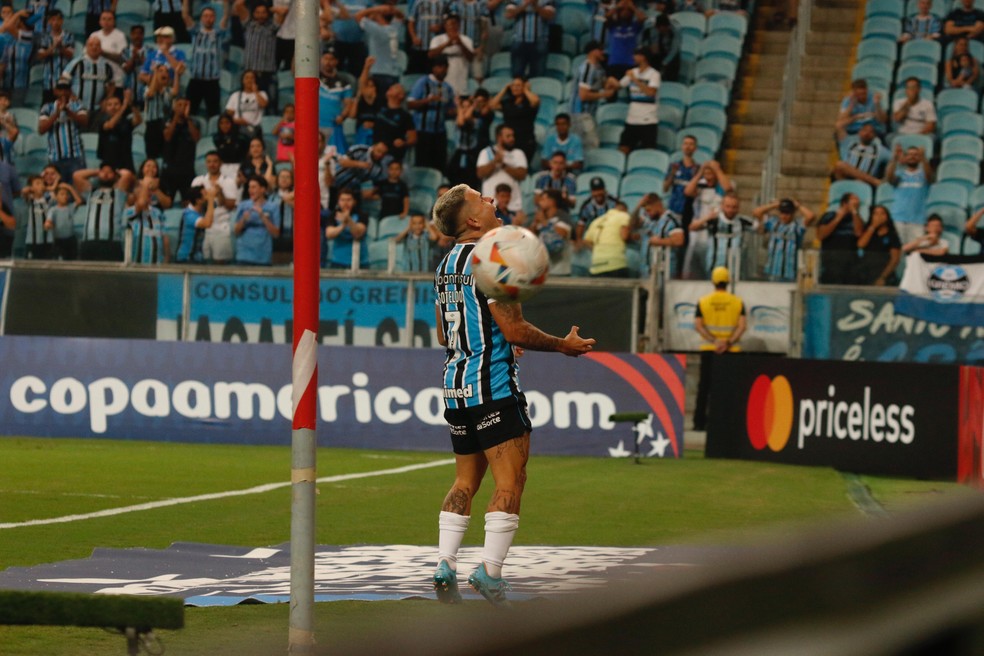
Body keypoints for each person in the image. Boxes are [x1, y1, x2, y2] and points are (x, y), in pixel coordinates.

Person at [430, 183, 595, 608]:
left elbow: (443, 332)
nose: (491, 202)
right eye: (481, 200)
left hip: (455, 384)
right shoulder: (492, 257)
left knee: (464, 479)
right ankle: (490, 573)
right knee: (511, 480)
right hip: (493, 386)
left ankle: (444, 565)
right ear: (471, 220)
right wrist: (563, 344)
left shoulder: (445, 263)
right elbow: (516, 329)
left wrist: (497, 338)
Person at [692, 266, 745, 432]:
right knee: (729, 388)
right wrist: (727, 342)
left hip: (710, 349)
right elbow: (742, 326)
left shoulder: (703, 301)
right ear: (728, 281)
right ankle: (727, 422)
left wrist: (715, 340)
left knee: (704, 387)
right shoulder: (737, 302)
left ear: (713, 281)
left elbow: (698, 326)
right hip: (731, 350)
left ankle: (699, 422)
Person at [72, 163, 133, 261]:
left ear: (115, 176)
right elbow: (76, 175)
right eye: (103, 172)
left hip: (111, 241)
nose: (106, 174)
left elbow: (127, 175)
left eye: (109, 172)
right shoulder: (91, 192)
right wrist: (98, 171)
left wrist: (114, 172)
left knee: (112, 275)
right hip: (89, 241)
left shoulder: (118, 193)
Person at [689, 191, 758, 275]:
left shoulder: (742, 221)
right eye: (728, 206)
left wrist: (759, 215)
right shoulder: (714, 220)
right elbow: (692, 227)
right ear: (722, 206)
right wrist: (707, 217)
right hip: (713, 268)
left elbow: (760, 230)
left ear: (738, 208)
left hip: (734, 271)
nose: (731, 210)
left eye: (734, 207)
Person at [408, 55, 457, 171]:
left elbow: (451, 111)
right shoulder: (423, 82)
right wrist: (427, 101)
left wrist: (456, 109)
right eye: (440, 67)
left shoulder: (448, 88)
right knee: (423, 164)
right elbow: (410, 104)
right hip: (422, 131)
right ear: (433, 68)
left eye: (445, 67)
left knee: (440, 165)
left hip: (440, 132)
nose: (443, 70)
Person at [182, 0, 231, 117]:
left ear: (214, 18)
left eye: (211, 16)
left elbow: (226, 15)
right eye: (205, 16)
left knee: (214, 113)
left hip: (212, 82)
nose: (208, 18)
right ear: (201, 18)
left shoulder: (219, 33)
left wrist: (225, 3)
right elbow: (185, 15)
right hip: (195, 80)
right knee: (189, 111)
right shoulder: (195, 32)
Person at [569, 40, 619, 150]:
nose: (603, 52)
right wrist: (604, 94)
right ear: (593, 52)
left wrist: (612, 83)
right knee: (590, 145)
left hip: (591, 113)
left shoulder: (599, 68)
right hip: (580, 113)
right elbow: (583, 95)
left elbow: (603, 85)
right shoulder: (587, 68)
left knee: (589, 145)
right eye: (600, 50)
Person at [190, 150, 239, 263]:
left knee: (220, 263)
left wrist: (220, 193)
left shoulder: (229, 182)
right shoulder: (198, 181)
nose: (212, 164)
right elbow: (192, 202)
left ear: (221, 163)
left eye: (215, 161)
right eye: (209, 162)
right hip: (202, 228)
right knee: (202, 263)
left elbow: (231, 206)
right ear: (205, 163)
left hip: (221, 228)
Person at [753, 197, 816, 282]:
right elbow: (756, 212)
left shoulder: (797, 226)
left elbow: (811, 216)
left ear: (793, 213)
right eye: (782, 212)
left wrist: (798, 206)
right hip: (772, 272)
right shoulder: (773, 223)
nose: (784, 216)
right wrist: (775, 205)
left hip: (791, 274)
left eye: (787, 213)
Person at [60, 36, 117, 126]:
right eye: (91, 45)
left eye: (97, 45)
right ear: (86, 47)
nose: (94, 47)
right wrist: (70, 95)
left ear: (100, 48)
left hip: (97, 110)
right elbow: (62, 81)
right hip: (77, 108)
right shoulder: (77, 63)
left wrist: (107, 99)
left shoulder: (106, 66)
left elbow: (111, 85)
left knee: (94, 137)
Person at [40, 80, 88, 183]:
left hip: (76, 155)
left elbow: (85, 121)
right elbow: (41, 129)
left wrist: (68, 111)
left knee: (77, 188)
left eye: (66, 89)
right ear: (55, 91)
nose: (63, 92)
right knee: (59, 190)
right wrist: (56, 114)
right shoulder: (47, 107)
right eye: (60, 89)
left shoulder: (77, 105)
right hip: (55, 157)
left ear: (70, 91)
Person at [885, 144, 933, 245]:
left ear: (919, 158)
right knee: (898, 251)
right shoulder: (899, 174)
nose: (912, 156)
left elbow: (930, 177)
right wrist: (895, 158)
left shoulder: (923, 174)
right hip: (898, 219)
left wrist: (924, 158)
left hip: (918, 220)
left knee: (917, 252)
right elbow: (889, 177)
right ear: (905, 158)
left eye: (916, 155)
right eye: (909, 154)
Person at [477, 124, 528, 216]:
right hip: (490, 205)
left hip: (513, 205)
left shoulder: (518, 153)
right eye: (508, 136)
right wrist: (495, 162)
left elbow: (522, 175)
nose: (512, 139)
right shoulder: (486, 152)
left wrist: (503, 165)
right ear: (499, 137)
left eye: (513, 136)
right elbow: (480, 173)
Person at [618, 48, 660, 155]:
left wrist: (635, 80)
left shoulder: (654, 74)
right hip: (631, 119)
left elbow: (650, 92)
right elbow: (619, 85)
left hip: (648, 120)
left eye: (636, 55)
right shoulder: (633, 72)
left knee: (648, 152)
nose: (633, 58)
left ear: (643, 57)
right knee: (623, 149)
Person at [816, 192, 864, 285]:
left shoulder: (857, 218)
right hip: (831, 261)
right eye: (853, 200)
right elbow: (821, 235)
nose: (856, 202)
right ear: (844, 203)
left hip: (851, 263)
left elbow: (858, 232)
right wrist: (838, 218)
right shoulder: (829, 216)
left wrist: (854, 212)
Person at [356, 4, 405, 94]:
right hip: (394, 73)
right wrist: (392, 9)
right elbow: (401, 16)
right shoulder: (395, 28)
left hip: (379, 72)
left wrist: (375, 9)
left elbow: (358, 16)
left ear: (379, 16)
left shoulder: (376, 29)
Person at [489, 77, 540, 161]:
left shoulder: (529, 102)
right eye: (513, 85)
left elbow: (535, 102)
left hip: (525, 141)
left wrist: (526, 90)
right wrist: (505, 89)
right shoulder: (508, 102)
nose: (515, 88)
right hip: (509, 141)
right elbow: (492, 105)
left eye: (518, 85)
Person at [161, 95, 200, 201]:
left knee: (188, 202)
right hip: (170, 169)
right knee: (167, 202)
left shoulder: (194, 122)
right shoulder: (167, 121)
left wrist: (187, 119)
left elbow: (196, 138)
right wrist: (176, 118)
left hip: (187, 169)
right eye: (179, 105)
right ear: (174, 107)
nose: (182, 108)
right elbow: (168, 137)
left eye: (185, 105)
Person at [234, 174, 279, 265]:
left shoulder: (273, 207)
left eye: (254, 187)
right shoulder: (243, 205)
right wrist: (243, 220)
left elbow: (276, 234)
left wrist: (262, 216)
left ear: (263, 189)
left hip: (263, 256)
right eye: (249, 187)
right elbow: (236, 231)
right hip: (244, 255)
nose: (250, 190)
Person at [635, 193, 683, 278]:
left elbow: (679, 240)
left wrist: (659, 242)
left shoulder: (671, 219)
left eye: (649, 210)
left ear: (658, 204)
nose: (647, 213)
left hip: (664, 273)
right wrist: (638, 207)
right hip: (646, 273)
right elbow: (632, 225)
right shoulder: (648, 220)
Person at [428, 13, 475, 98]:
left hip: (460, 78)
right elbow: (430, 55)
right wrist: (447, 44)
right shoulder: (437, 39)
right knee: (442, 101)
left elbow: (471, 58)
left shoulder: (466, 40)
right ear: (445, 26)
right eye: (449, 24)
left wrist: (460, 43)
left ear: (459, 25)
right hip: (442, 79)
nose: (452, 27)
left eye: (454, 24)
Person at [505, 0, 555, 78]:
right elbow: (508, 14)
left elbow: (550, 16)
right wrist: (525, 4)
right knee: (517, 76)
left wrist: (535, 6)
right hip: (519, 41)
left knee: (538, 78)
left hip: (540, 42)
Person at [123, 181, 169, 265]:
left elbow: (164, 237)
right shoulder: (129, 212)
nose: (148, 193)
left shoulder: (157, 213)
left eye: (149, 192)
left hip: (157, 264)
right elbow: (141, 204)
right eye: (144, 191)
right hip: (136, 263)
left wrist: (166, 259)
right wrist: (146, 184)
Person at [322, 186, 368, 270]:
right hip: (338, 261)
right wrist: (343, 225)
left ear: (354, 201)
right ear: (338, 202)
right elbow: (329, 234)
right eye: (342, 200)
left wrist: (348, 220)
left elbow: (358, 234)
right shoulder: (333, 215)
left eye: (348, 200)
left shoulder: (362, 215)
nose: (345, 203)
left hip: (360, 262)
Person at [832, 123, 890, 188]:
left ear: (874, 136)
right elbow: (839, 125)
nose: (867, 133)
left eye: (871, 132)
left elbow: (894, 159)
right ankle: (875, 181)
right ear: (859, 132)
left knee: (859, 181)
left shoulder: (880, 150)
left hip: (864, 183)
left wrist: (887, 176)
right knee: (840, 165)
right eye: (865, 130)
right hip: (846, 178)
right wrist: (858, 116)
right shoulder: (849, 143)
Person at [95, 90, 141, 173]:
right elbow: (111, 125)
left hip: (126, 163)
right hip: (108, 165)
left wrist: (131, 104)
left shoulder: (126, 121)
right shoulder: (103, 120)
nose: (113, 107)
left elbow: (138, 120)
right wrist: (124, 106)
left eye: (116, 104)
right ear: (106, 108)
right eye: (110, 105)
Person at [857, 205, 902, 286]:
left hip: (884, 273)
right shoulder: (868, 231)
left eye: (882, 213)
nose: (879, 216)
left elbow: (895, 259)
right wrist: (873, 226)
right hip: (866, 272)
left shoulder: (892, 235)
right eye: (876, 214)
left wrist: (883, 277)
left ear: (887, 217)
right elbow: (861, 245)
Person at [584, 200, 632, 277]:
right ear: (625, 210)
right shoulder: (624, 215)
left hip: (596, 266)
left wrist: (598, 249)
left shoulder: (597, 221)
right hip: (615, 265)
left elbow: (586, 241)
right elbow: (624, 236)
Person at [36, 9, 75, 104]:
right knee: (47, 107)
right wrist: (53, 47)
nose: (55, 22)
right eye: (52, 19)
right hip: (48, 80)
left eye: (58, 19)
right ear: (49, 21)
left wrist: (61, 47)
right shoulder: (45, 36)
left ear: (62, 21)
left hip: (64, 79)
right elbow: (40, 56)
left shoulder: (69, 36)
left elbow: (70, 55)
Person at [531, 188, 572, 275]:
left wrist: (544, 223)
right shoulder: (541, 219)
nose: (539, 202)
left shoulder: (563, 217)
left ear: (552, 201)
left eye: (543, 199)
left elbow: (558, 240)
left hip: (560, 272)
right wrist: (534, 226)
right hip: (543, 272)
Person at [373, 82, 417, 163]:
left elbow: (413, 138)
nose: (391, 87)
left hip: (391, 156)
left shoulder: (405, 116)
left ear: (401, 96)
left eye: (395, 87)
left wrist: (404, 143)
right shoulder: (380, 105)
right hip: (374, 151)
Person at [834, 79, 885, 144]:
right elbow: (840, 120)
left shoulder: (874, 97)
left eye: (864, 93)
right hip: (854, 130)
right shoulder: (848, 100)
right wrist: (851, 106)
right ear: (854, 93)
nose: (862, 96)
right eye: (859, 94)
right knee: (838, 129)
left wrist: (877, 105)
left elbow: (883, 119)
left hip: (872, 129)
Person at [605, 0, 646, 80]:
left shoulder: (634, 26)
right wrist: (618, 6)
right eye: (623, 10)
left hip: (630, 63)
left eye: (628, 11)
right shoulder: (613, 25)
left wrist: (632, 7)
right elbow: (607, 16)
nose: (625, 12)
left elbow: (642, 18)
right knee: (612, 88)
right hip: (614, 62)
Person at [175, 184, 215, 263]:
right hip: (186, 258)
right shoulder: (189, 215)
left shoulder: (200, 213)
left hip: (196, 257)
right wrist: (211, 200)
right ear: (198, 200)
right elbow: (207, 223)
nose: (207, 196)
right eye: (205, 194)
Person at [663, 134, 701, 216]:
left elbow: (698, 192)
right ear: (682, 146)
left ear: (695, 148)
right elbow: (665, 188)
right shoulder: (674, 166)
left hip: (689, 210)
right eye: (685, 143)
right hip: (673, 208)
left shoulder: (698, 169)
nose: (688, 146)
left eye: (691, 144)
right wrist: (672, 174)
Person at [226, 69, 268, 141]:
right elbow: (228, 114)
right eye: (247, 78)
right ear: (243, 81)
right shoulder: (235, 95)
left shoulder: (262, 94)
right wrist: (237, 120)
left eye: (252, 78)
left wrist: (255, 91)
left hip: (255, 129)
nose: (249, 80)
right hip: (239, 129)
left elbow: (263, 104)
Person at [45, 181, 83, 260]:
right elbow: (48, 221)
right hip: (59, 240)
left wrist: (69, 187)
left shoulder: (71, 207)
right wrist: (48, 224)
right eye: (62, 194)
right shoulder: (53, 210)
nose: (65, 196)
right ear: (56, 197)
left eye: (66, 194)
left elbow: (79, 201)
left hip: (71, 240)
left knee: (72, 260)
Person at [407, 0, 446, 74]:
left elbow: (448, 22)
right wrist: (414, 37)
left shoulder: (443, 3)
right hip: (420, 46)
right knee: (416, 74)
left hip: (436, 48)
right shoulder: (419, 3)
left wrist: (440, 27)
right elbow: (411, 22)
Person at [24, 175, 55, 259]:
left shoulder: (48, 200)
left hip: (47, 240)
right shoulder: (30, 201)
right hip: (32, 240)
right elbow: (24, 191)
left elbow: (56, 189)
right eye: (37, 183)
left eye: (42, 184)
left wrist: (46, 188)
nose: (41, 186)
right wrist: (32, 189)